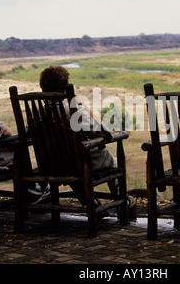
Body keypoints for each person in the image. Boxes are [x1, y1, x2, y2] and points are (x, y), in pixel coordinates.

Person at [38, 65, 119, 203]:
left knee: (71, 165)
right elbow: (102, 131)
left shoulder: (36, 114)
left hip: (51, 165)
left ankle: (90, 202)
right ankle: (122, 203)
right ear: (65, 88)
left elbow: (29, 133)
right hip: (78, 164)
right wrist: (81, 104)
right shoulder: (72, 111)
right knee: (114, 163)